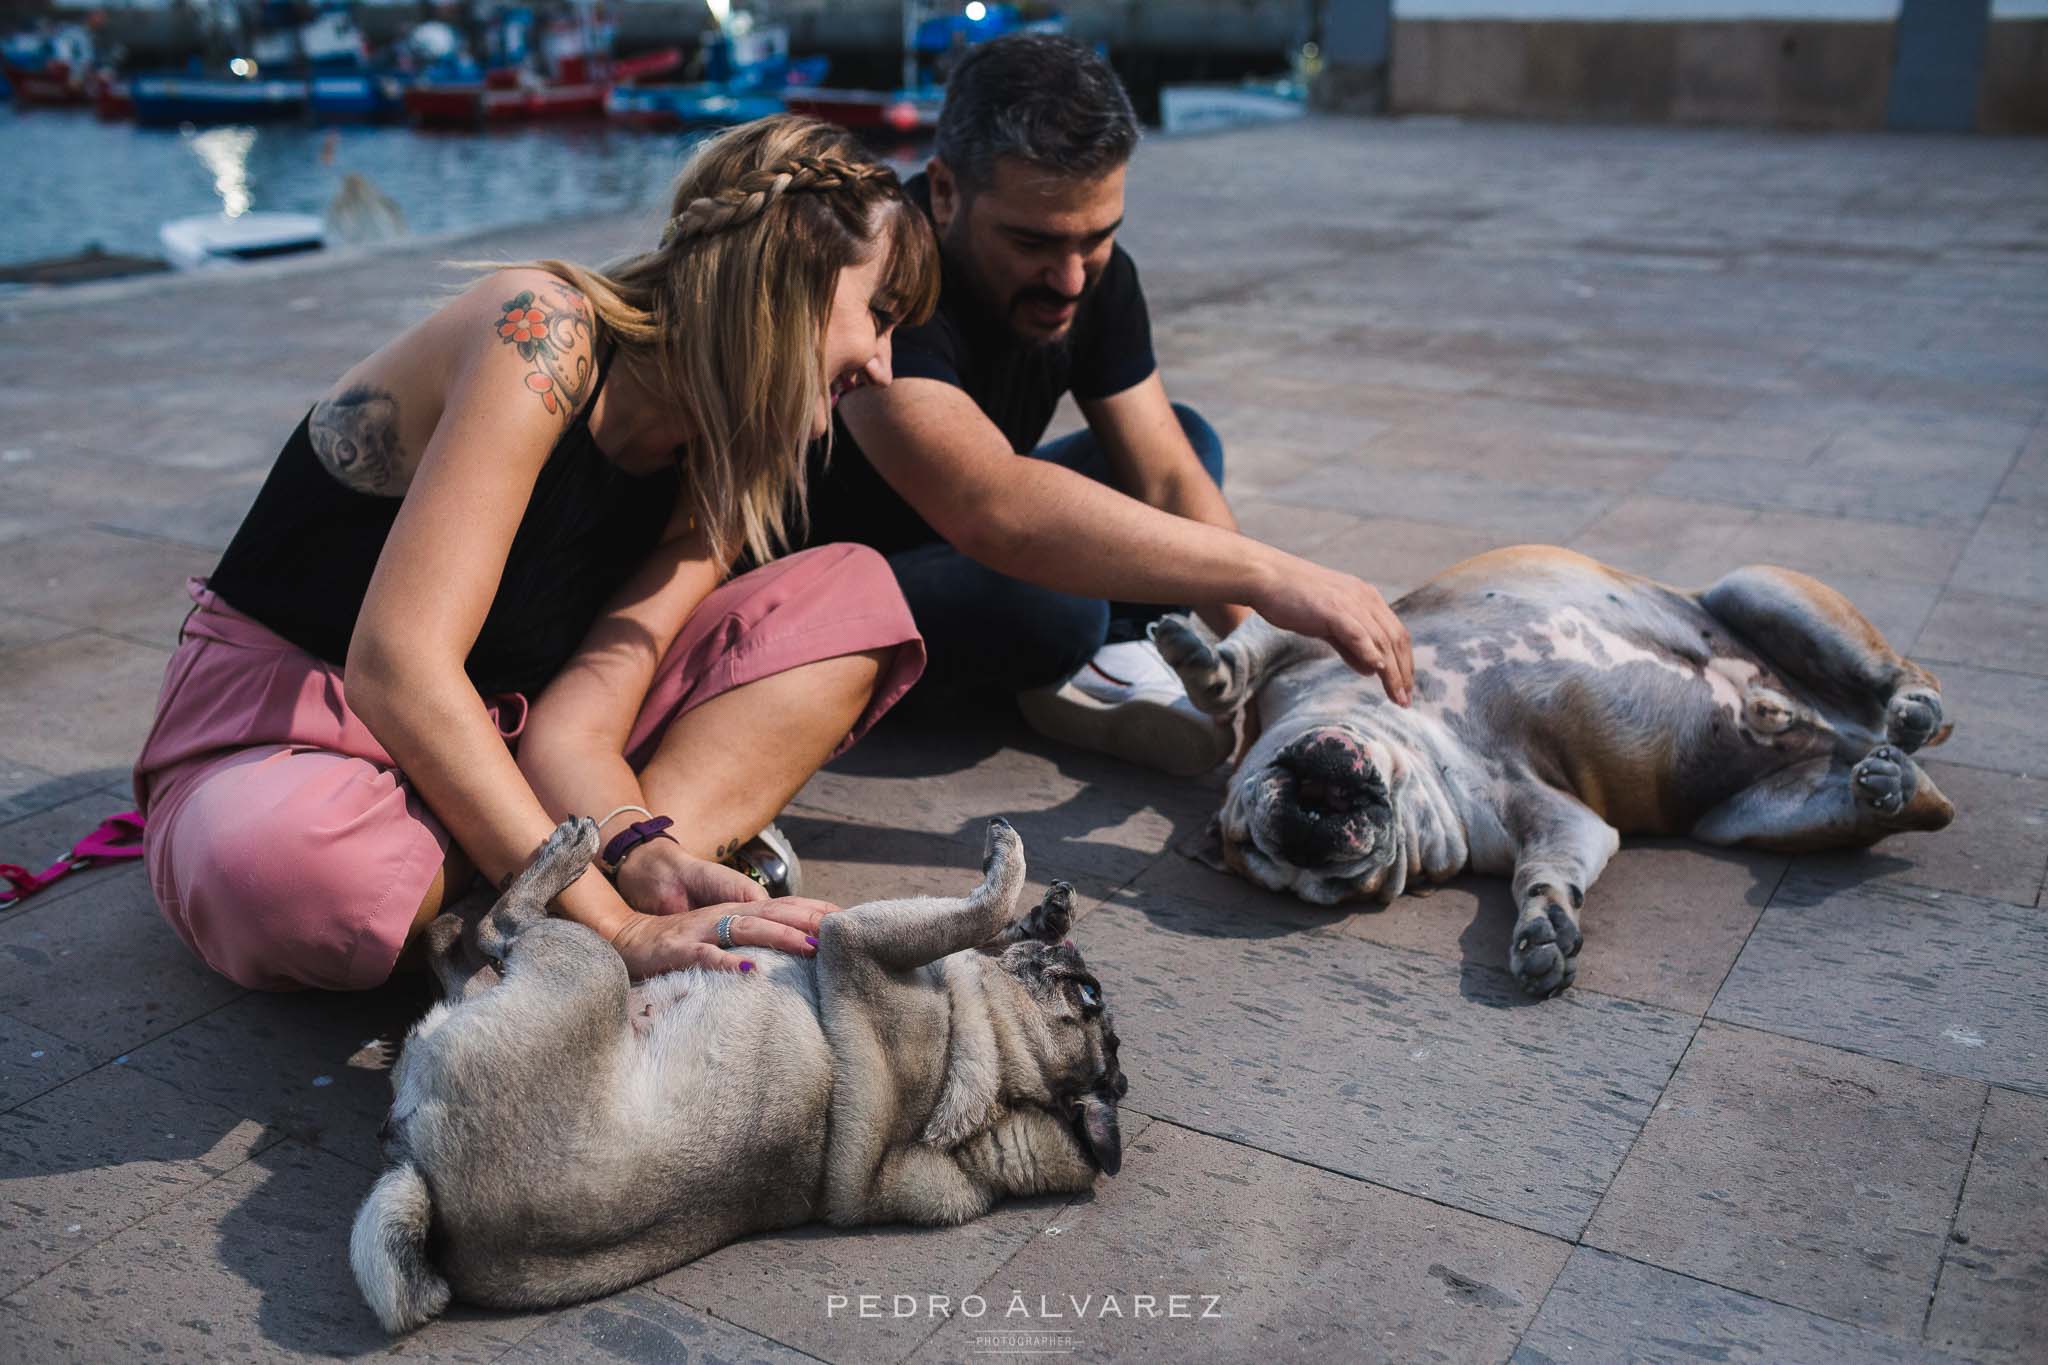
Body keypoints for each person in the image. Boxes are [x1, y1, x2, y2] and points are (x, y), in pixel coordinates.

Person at [131, 116, 940, 992]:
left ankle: (536, 884)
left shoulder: (722, 475)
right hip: (296, 728)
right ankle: (543, 895)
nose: (885, 365)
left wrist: (640, 851)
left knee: (852, 595)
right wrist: (615, 923)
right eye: (880, 315)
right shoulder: (544, 334)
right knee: (297, 879)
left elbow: (577, 724)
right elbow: (397, 665)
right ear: (790, 270)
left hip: (499, 732)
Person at [805, 33, 1413, 776]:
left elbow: (1164, 477)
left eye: (1097, 238)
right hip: (830, 576)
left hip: (970, 544)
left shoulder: (1097, 277)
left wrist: (1268, 665)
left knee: (1187, 442)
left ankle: (1102, 661)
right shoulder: (880, 273)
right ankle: (1077, 651)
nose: (1069, 280)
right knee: (1054, 604)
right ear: (944, 192)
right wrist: (1274, 574)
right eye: (1034, 242)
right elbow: (991, 506)